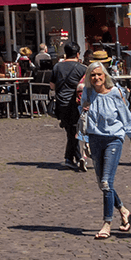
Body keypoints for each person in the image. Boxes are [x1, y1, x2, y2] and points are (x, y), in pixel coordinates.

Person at [80, 60, 131, 239]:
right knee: (102, 184)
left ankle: (107, 223)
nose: (96, 78)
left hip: (114, 139)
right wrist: (85, 141)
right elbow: (84, 116)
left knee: (106, 182)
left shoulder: (115, 93)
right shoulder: (88, 92)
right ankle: (123, 210)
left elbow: (126, 117)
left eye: (99, 74)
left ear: (105, 75)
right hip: (95, 139)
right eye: (93, 75)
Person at [50, 42, 86, 170]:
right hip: (76, 103)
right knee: (73, 132)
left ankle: (72, 158)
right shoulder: (83, 68)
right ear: (78, 54)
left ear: (65, 54)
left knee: (71, 131)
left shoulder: (57, 67)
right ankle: (73, 158)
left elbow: (52, 86)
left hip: (61, 103)